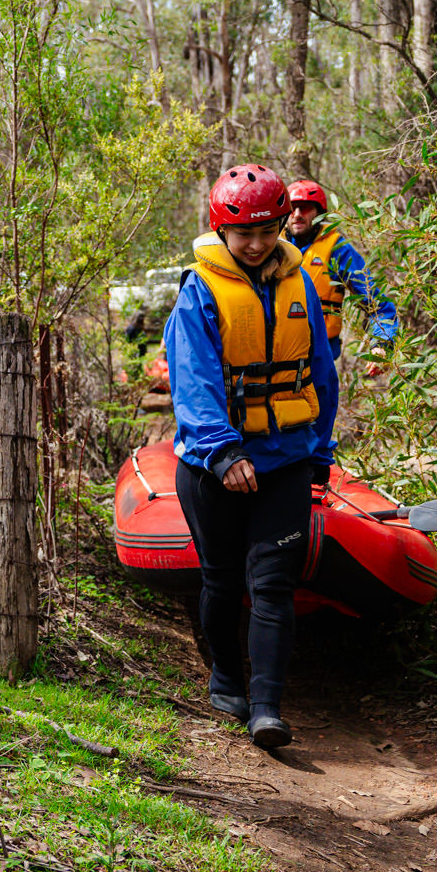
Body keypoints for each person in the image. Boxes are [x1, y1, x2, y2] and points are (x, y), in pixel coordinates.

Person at [162, 165, 339, 749]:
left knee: (273, 582)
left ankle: (266, 707)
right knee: (221, 578)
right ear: (222, 232)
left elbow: (320, 371)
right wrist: (221, 451)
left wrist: (320, 449)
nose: (258, 245)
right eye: (244, 235)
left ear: (282, 225)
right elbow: (194, 380)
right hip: (214, 467)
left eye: (267, 231)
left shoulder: (300, 285)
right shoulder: (199, 292)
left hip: (285, 455)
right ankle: (225, 675)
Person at [284, 180, 394, 362]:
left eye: (305, 208)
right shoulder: (271, 246)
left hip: (319, 356)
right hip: (277, 355)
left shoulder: (337, 249)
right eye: (292, 208)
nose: (297, 215)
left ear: (319, 213)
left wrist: (381, 344)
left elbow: (377, 304)